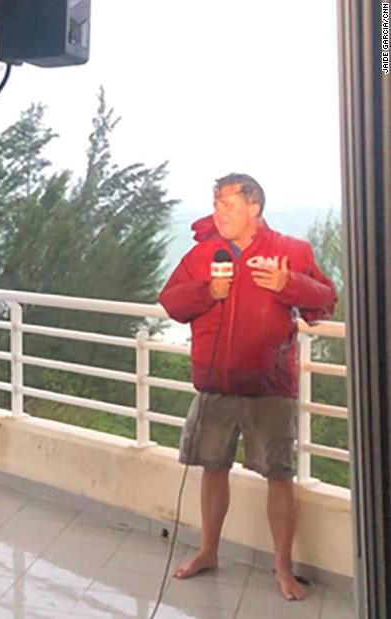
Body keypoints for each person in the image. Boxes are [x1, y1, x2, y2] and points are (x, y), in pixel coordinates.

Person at [158, 173, 337, 601]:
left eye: (228, 205)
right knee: (211, 468)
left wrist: (287, 284)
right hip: (215, 384)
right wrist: (208, 291)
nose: (219, 212)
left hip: (269, 387)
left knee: (279, 475)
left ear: (254, 206)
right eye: (216, 204)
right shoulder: (202, 254)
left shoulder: (290, 252)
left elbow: (325, 301)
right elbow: (171, 302)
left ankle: (282, 568)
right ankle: (208, 552)